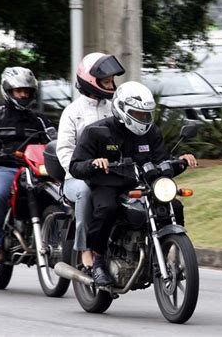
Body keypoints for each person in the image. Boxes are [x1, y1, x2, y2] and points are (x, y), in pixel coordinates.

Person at [69, 81, 197, 286]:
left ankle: (168, 253)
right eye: (138, 114)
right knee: (107, 209)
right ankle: (99, 260)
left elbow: (160, 161)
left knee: (174, 205)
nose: (143, 119)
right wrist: (94, 163)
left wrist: (181, 161)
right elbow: (75, 166)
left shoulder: (151, 132)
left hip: (142, 185)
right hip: (108, 184)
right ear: (122, 109)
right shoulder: (97, 131)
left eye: (145, 115)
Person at [0, 67, 57, 264]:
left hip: (35, 169)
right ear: (8, 91)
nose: (23, 94)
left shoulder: (40, 120)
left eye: (27, 91)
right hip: (4, 168)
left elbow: (56, 143)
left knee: (59, 197)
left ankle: (56, 242)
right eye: (19, 91)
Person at [56, 53, 125, 269]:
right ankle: (86, 248)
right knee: (85, 192)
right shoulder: (72, 112)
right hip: (78, 178)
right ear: (91, 81)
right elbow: (65, 150)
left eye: (112, 81)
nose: (111, 85)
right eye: (106, 81)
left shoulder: (114, 108)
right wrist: (83, 170)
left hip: (112, 175)